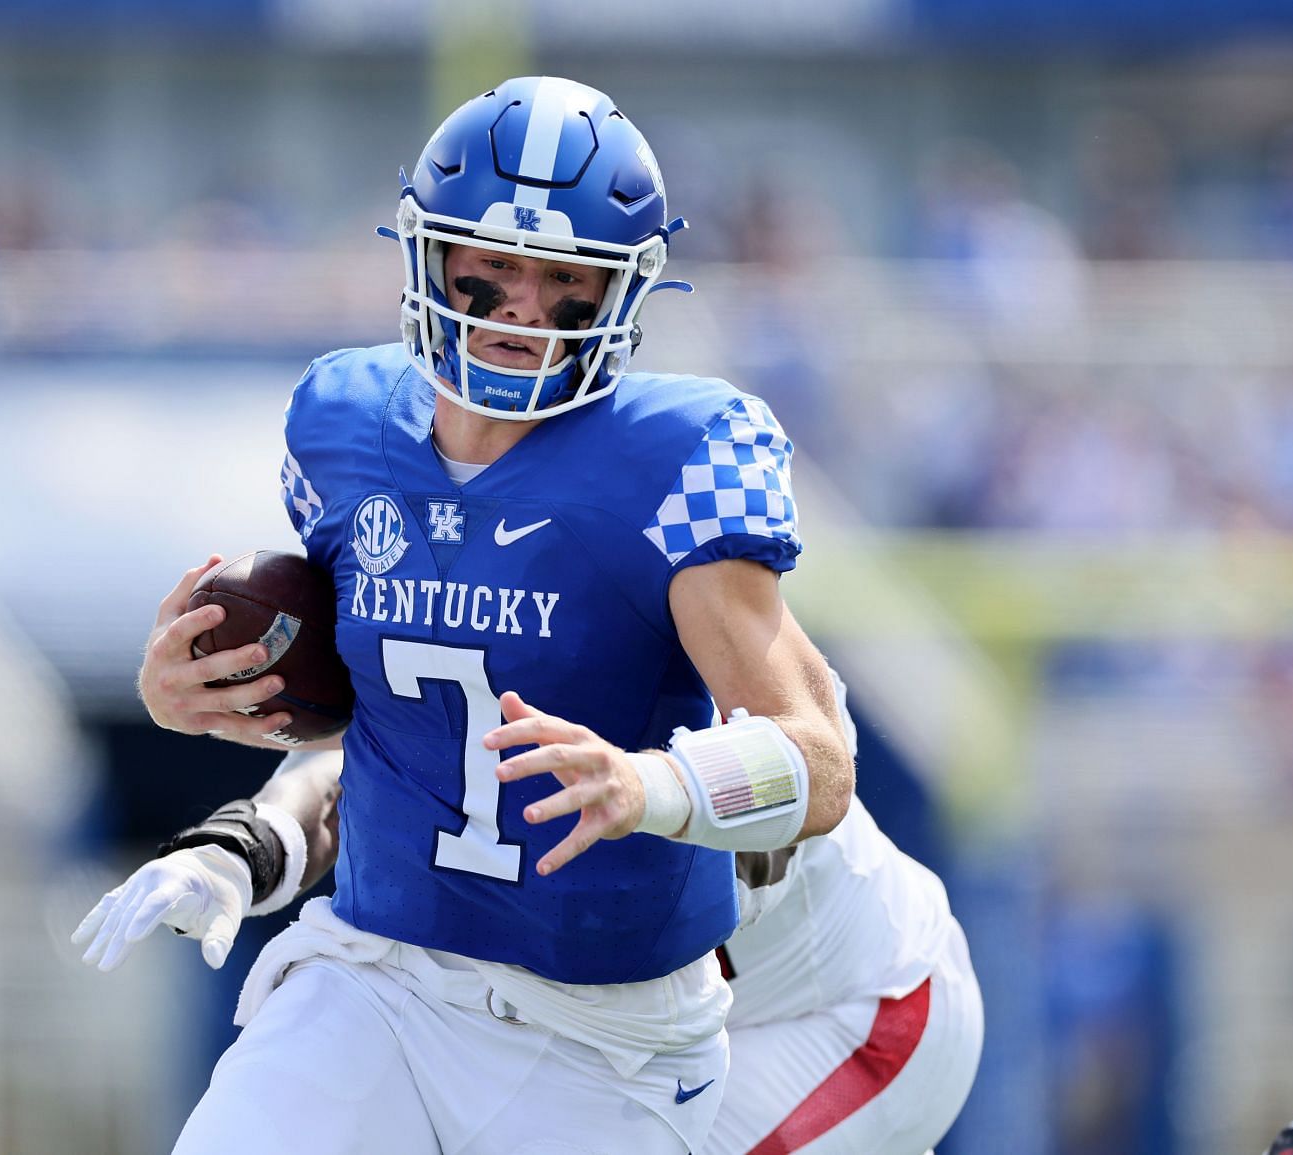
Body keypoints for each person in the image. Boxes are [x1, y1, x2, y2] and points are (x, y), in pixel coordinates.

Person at [91, 76, 854, 1154]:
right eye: (490, 272)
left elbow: (819, 765)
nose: (522, 310)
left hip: (606, 1038)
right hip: (379, 981)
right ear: (428, 256)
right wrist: (210, 720)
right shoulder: (342, 425)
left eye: (562, 280)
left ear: (621, 293)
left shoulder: (677, 456)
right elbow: (382, 731)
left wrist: (648, 783)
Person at [79, 671, 983, 1154]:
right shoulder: (525, 654)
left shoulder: (701, 712)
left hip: (866, 1013)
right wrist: (247, 843)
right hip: (668, 1034)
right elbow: (359, 784)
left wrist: (660, 790)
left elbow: (791, 780)